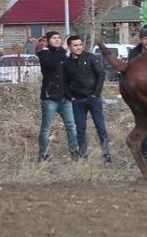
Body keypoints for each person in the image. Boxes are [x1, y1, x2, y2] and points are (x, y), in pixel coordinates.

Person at [63, 35, 110, 164]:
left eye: (80, 44)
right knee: (80, 129)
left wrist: (96, 93)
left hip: (93, 99)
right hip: (77, 101)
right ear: (69, 47)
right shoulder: (66, 63)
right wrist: (71, 98)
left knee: (100, 127)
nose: (78, 47)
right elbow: (64, 83)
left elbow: (101, 74)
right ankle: (83, 157)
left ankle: (107, 156)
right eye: (75, 45)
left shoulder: (91, 58)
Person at [37, 31, 80, 162]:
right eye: (54, 38)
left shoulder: (64, 55)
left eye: (59, 38)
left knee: (71, 125)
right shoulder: (44, 53)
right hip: (50, 98)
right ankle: (43, 155)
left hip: (65, 98)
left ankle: (75, 152)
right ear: (49, 40)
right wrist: (64, 50)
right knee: (46, 127)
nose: (57, 40)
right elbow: (52, 63)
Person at [127, 25, 147, 160]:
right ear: (141, 40)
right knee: (142, 123)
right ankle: (144, 153)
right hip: (139, 95)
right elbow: (129, 73)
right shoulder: (134, 54)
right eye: (145, 38)